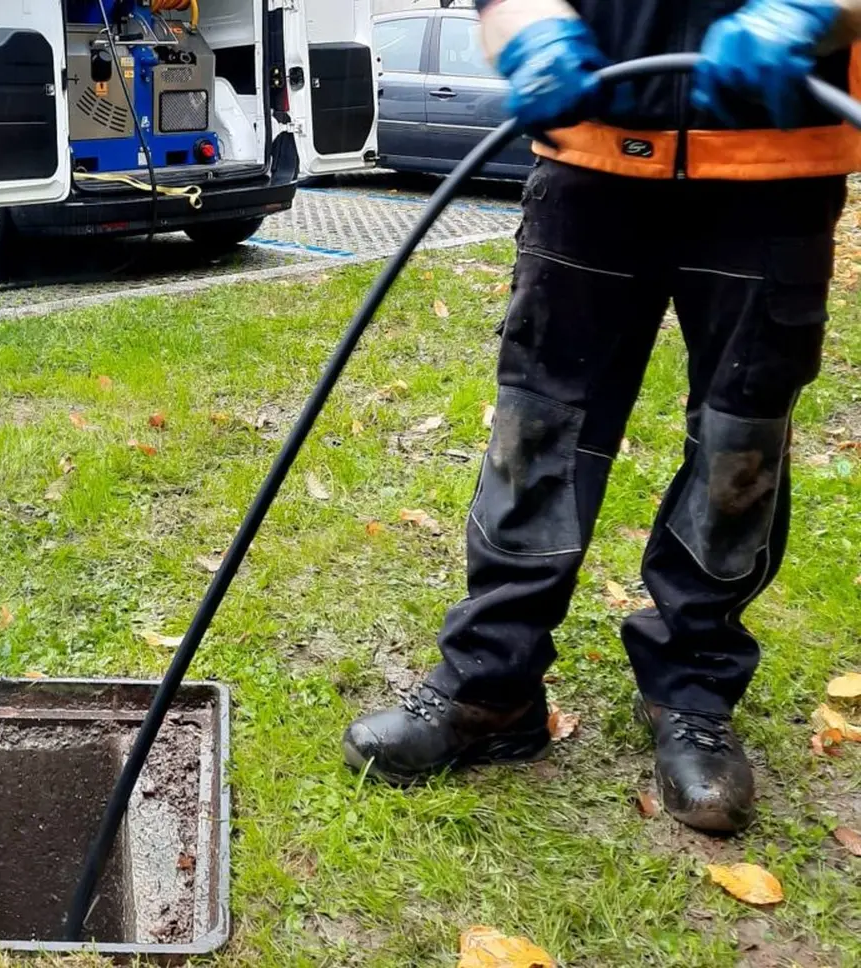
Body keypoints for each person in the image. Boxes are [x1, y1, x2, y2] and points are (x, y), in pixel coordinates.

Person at [343, 0, 861, 834]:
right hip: (592, 158)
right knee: (536, 431)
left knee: (742, 444)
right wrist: (532, 26)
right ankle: (492, 686)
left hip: (779, 162)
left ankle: (692, 692)